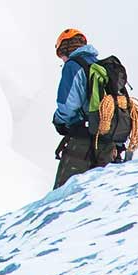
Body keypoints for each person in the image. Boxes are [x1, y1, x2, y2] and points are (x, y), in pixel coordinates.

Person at [51, 28, 101, 189]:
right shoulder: (99, 65)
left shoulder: (73, 66)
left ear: (64, 49)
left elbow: (67, 105)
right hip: (107, 141)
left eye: (60, 54)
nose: (62, 59)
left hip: (83, 139)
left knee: (63, 195)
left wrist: (58, 121)